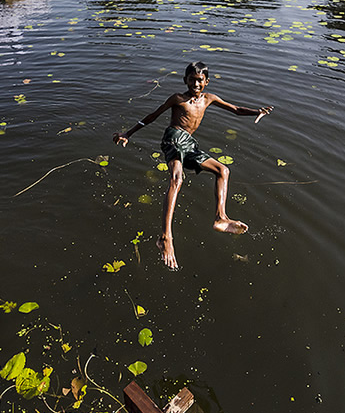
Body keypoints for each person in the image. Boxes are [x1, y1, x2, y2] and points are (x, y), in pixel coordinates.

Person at [113, 62, 272, 270]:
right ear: (185, 80)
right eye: (191, 80)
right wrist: (128, 133)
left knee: (223, 170)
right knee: (176, 179)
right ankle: (165, 237)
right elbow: (153, 116)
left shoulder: (209, 99)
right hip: (173, 139)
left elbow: (236, 109)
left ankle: (221, 218)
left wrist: (256, 112)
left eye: (199, 80)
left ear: (206, 82)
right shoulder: (177, 99)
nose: (195, 84)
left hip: (188, 142)